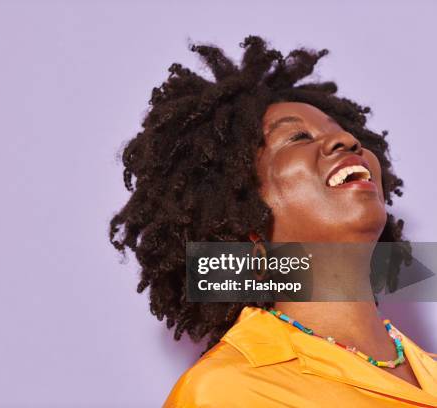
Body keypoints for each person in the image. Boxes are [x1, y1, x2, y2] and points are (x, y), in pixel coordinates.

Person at [109, 36, 437, 406]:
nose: (345, 140)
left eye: (342, 132)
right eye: (297, 137)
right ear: (244, 217)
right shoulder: (227, 392)